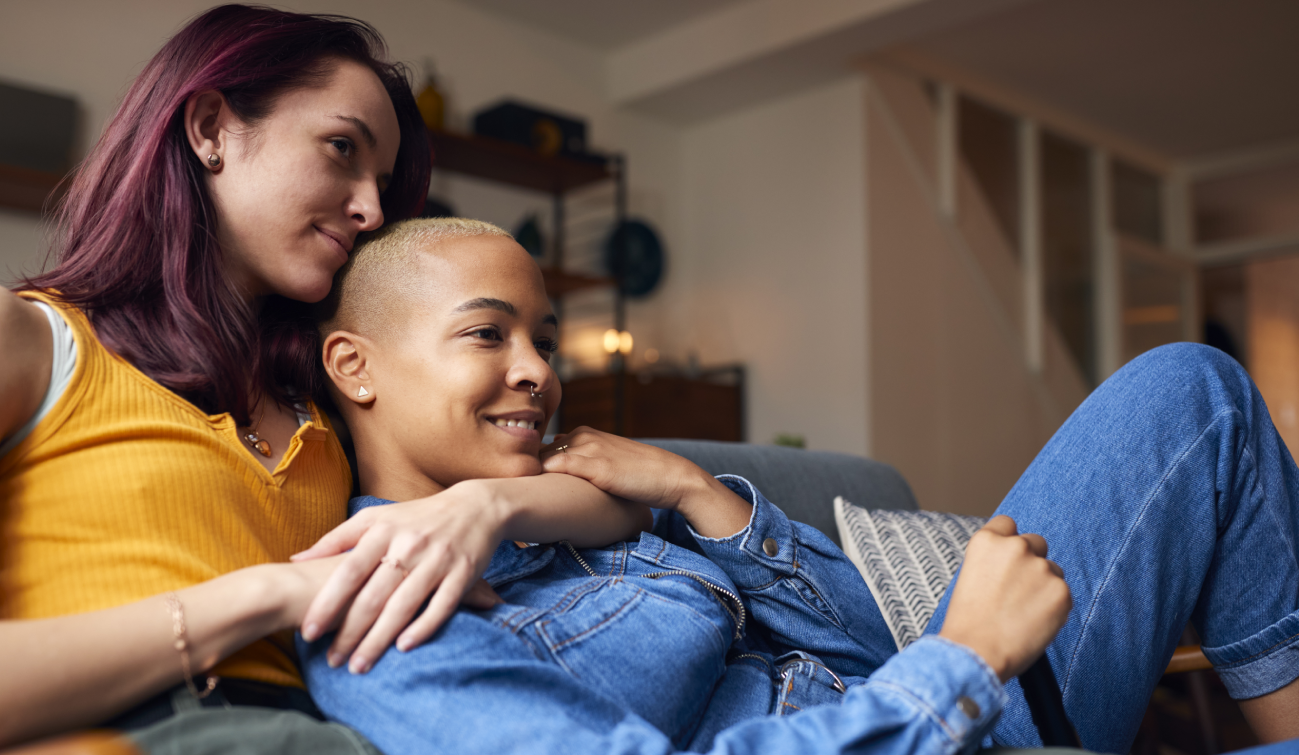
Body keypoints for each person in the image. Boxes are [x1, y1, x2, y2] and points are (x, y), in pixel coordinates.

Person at [296, 216, 1299, 754]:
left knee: (1192, 391)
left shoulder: (573, 501)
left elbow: (863, 642)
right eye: (487, 333)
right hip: (947, 708)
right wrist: (965, 654)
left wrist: (697, 492)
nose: (536, 371)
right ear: (354, 366)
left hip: (959, 704)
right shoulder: (376, 610)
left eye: (542, 339)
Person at [0, 7, 650, 754]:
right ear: (209, 129)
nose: (371, 208)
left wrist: (485, 508)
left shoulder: (331, 401)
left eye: (383, 181)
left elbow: (612, 498)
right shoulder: (8, 334)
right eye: (340, 148)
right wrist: (266, 595)